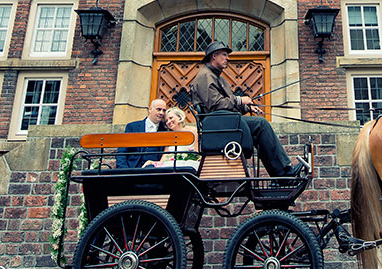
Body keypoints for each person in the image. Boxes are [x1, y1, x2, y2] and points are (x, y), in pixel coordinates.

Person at [190, 41, 306, 178]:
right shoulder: (205, 76)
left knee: (258, 128)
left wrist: (246, 107)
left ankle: (279, 175)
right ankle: (284, 174)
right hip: (218, 126)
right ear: (214, 56)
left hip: (225, 122)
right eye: (224, 55)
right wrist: (240, 100)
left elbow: (227, 105)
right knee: (261, 124)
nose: (228, 58)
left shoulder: (215, 76)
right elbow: (215, 105)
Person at [115, 98, 167, 169]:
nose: (161, 113)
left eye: (164, 110)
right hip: (133, 167)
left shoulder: (165, 129)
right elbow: (122, 151)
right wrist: (124, 170)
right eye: (158, 109)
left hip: (155, 170)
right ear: (150, 109)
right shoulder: (133, 127)